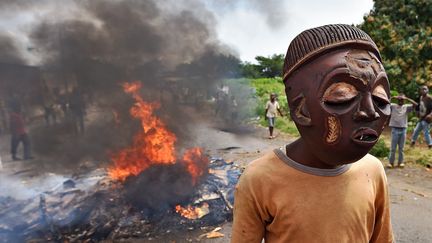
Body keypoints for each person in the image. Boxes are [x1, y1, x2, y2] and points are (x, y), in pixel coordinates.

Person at [232, 24, 393, 242]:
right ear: (301, 110)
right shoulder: (259, 179)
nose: (370, 111)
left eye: (380, 97)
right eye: (342, 97)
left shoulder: (373, 171)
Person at [388, 94, 417, 168]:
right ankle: (391, 163)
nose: (401, 100)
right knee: (393, 148)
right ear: (398, 100)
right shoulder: (393, 106)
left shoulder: (406, 107)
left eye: (402, 99)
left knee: (401, 148)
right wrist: (394, 97)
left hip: (403, 129)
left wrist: (406, 98)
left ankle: (400, 163)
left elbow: (416, 104)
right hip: (395, 129)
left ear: (404, 100)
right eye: (399, 99)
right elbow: (386, 102)